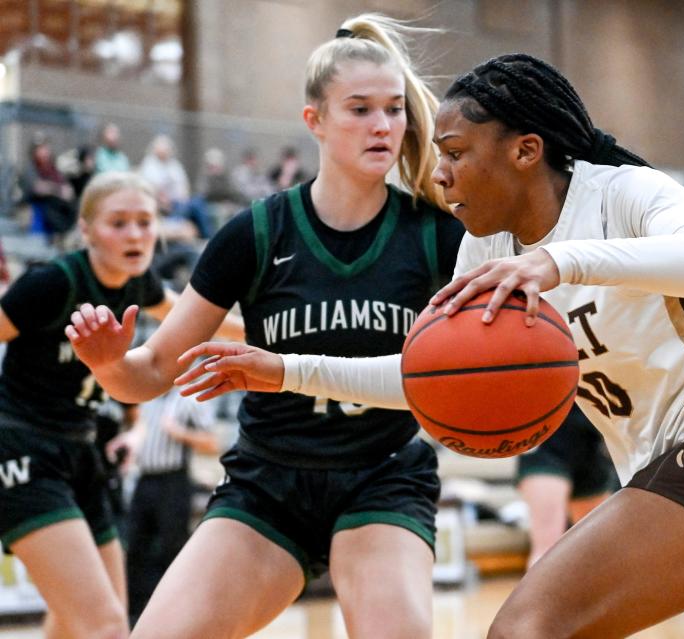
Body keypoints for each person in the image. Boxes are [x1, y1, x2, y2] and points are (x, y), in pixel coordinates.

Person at [172, 54, 684, 638]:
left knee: (528, 627)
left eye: (457, 152)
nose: (440, 173)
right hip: (679, 472)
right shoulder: (484, 249)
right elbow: (427, 376)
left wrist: (562, 264)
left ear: (525, 150)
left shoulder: (625, 194)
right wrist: (285, 369)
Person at [65, 15, 463, 639]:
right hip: (269, 482)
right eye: (359, 109)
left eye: (392, 109)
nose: (382, 125)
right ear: (315, 121)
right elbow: (145, 378)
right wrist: (109, 361)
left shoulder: (439, 238)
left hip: (382, 475)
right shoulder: (255, 234)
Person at [0, 172, 171, 639]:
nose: (135, 234)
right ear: (87, 228)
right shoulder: (52, 284)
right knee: (105, 626)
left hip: (82, 452)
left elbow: (200, 319)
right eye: (119, 223)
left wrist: (274, 337)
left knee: (80, 621)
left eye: (144, 221)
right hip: (21, 447)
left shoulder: (141, 285)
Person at [122, 390, 219, 626]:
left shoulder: (188, 399)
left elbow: (211, 443)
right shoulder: (147, 398)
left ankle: (182, 615)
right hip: (144, 480)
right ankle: (136, 617)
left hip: (173, 481)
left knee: (173, 547)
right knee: (135, 548)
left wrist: (180, 433)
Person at [516, 404, 618, 568]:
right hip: (543, 438)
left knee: (597, 551)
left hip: (589, 436)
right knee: (547, 550)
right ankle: (542, 593)